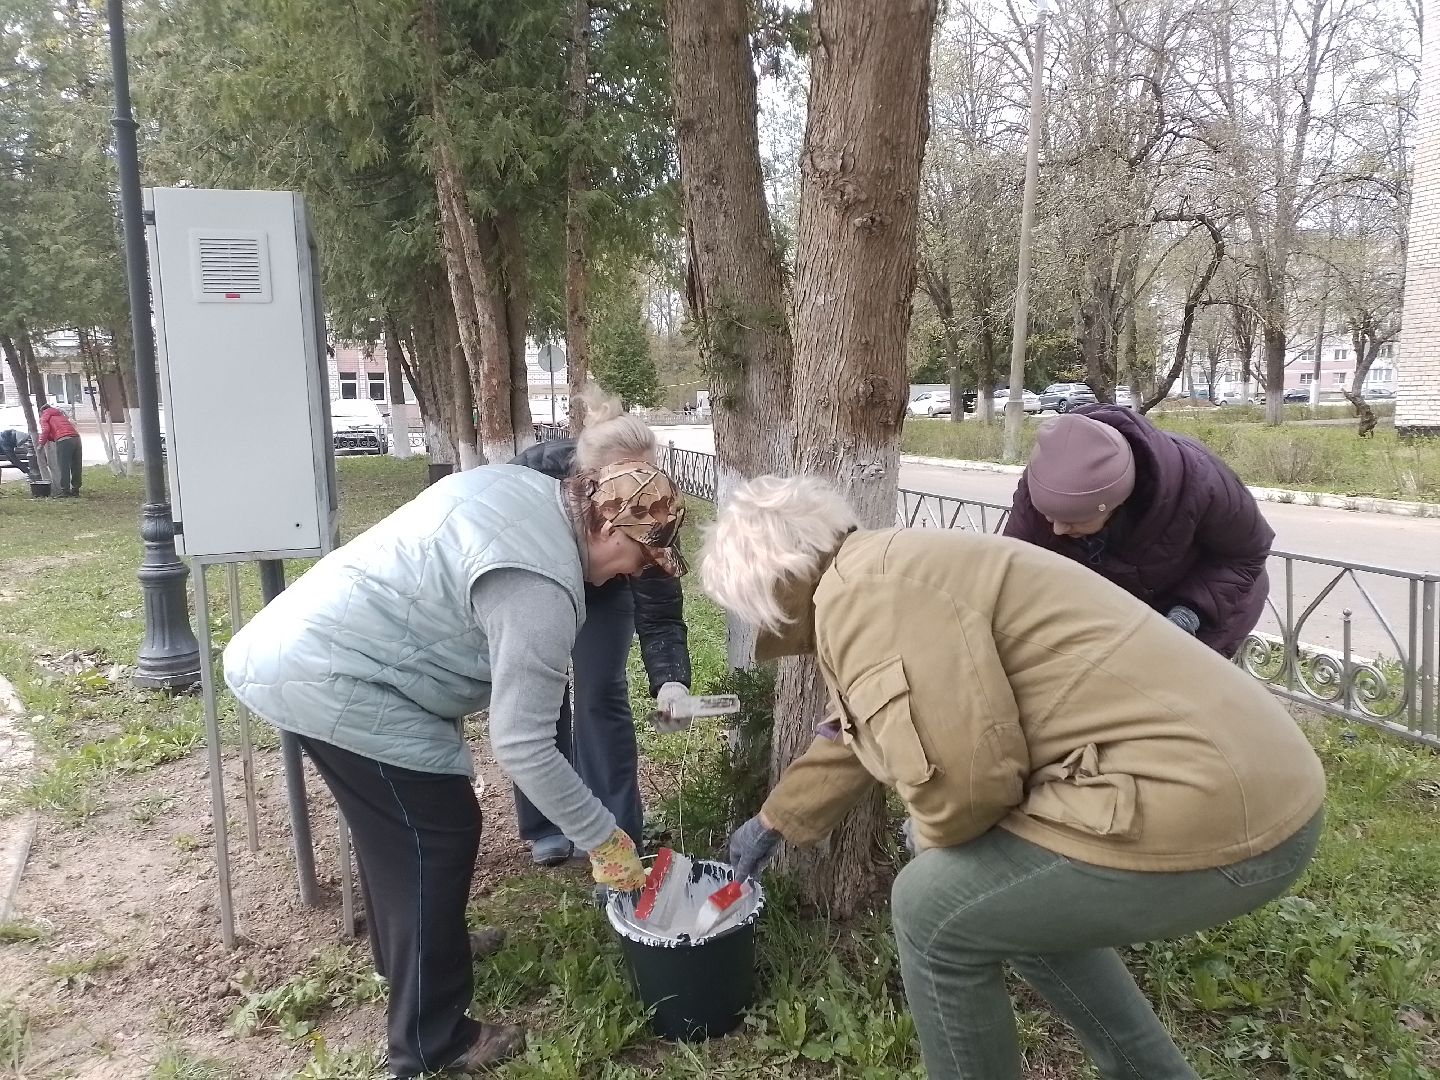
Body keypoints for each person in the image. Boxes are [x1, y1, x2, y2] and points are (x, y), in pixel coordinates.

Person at [704, 474, 1325, 1080]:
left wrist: (934, 838)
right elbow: (856, 730)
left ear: (771, 584)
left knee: (931, 911)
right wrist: (774, 820)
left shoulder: (863, 601)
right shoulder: (885, 570)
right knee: (995, 900)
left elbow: (965, 786)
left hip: (1213, 803)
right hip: (1252, 779)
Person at [223, 458, 687, 1077]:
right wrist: (606, 838)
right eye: (638, 556)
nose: (637, 572)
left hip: (307, 646)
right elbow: (523, 744)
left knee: (402, 835)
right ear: (605, 525)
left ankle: (416, 953)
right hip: (336, 676)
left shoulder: (530, 491)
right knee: (433, 836)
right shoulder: (541, 591)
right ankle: (431, 1043)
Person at [508, 386, 691, 864]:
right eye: (627, 478)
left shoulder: (649, 509)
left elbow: (661, 608)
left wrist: (671, 681)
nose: (640, 486)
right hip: (538, 572)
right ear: (589, 477)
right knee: (539, 693)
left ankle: (616, 834)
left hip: (608, 580)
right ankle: (546, 822)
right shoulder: (535, 475)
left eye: (648, 476)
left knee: (600, 691)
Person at [1002, 406, 1273, 656]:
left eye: (1074, 521)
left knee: (1176, 691)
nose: (1058, 529)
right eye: (1049, 516)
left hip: (1207, 603)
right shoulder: (1045, 479)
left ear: (1114, 506)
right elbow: (1016, 567)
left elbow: (1245, 555)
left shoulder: (1201, 482)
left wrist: (1187, 614)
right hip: (1114, 606)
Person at [35, 402, 82, 497]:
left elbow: (46, 430)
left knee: (64, 466)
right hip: (76, 438)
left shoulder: (45, 416)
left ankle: (65, 491)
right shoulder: (60, 415)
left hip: (64, 440)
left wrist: (40, 444)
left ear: (42, 411)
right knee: (76, 466)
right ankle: (76, 490)